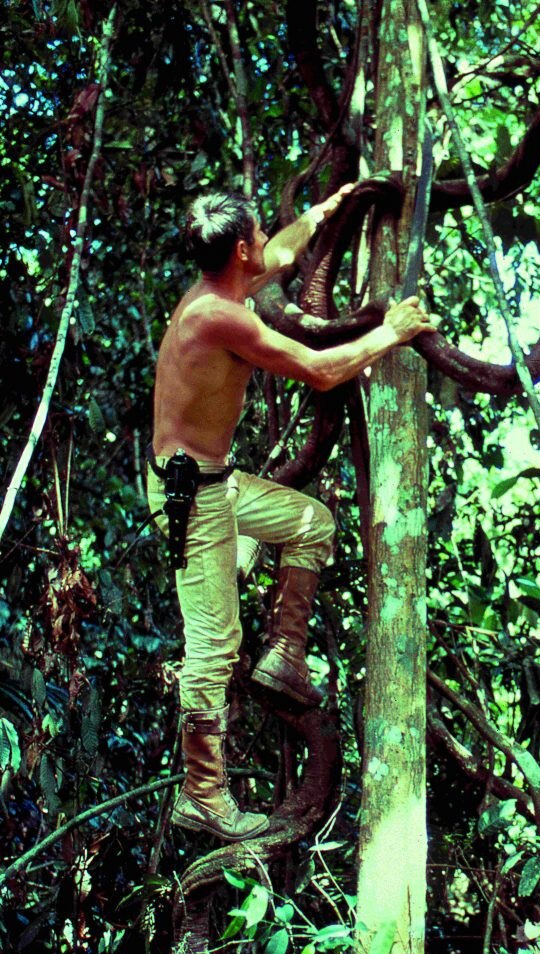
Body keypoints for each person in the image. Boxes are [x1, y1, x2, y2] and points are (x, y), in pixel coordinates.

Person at [146, 185, 435, 843]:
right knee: (213, 649)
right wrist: (389, 333)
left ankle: (284, 651)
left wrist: (325, 210)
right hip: (190, 498)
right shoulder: (220, 315)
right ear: (238, 249)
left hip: (216, 485)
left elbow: (276, 255)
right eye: (257, 232)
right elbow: (319, 370)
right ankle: (203, 793)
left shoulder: (225, 285)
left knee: (311, 523)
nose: (264, 242)